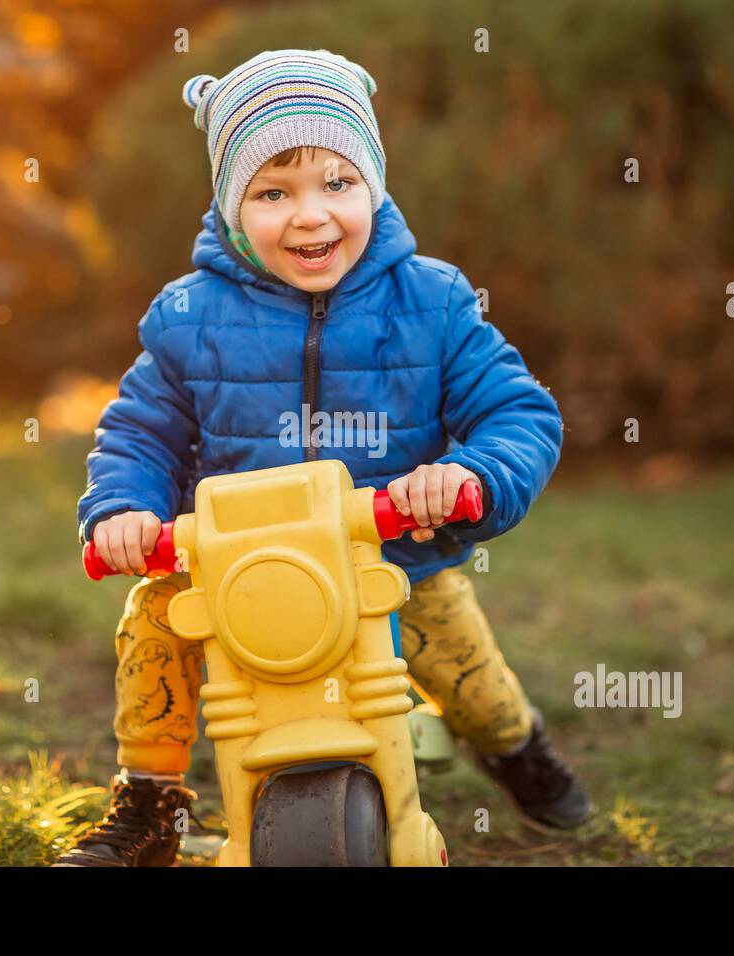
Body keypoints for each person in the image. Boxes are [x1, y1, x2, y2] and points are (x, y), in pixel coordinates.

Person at [55, 48, 590, 867]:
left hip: (393, 555)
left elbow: (517, 412)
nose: (310, 215)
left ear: (373, 184)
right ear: (234, 208)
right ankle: (149, 800)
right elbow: (140, 432)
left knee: (469, 674)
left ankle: (517, 749)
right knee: (155, 628)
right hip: (232, 566)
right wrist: (124, 511)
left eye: (337, 183)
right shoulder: (189, 315)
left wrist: (471, 476)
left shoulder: (434, 301)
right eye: (273, 193)